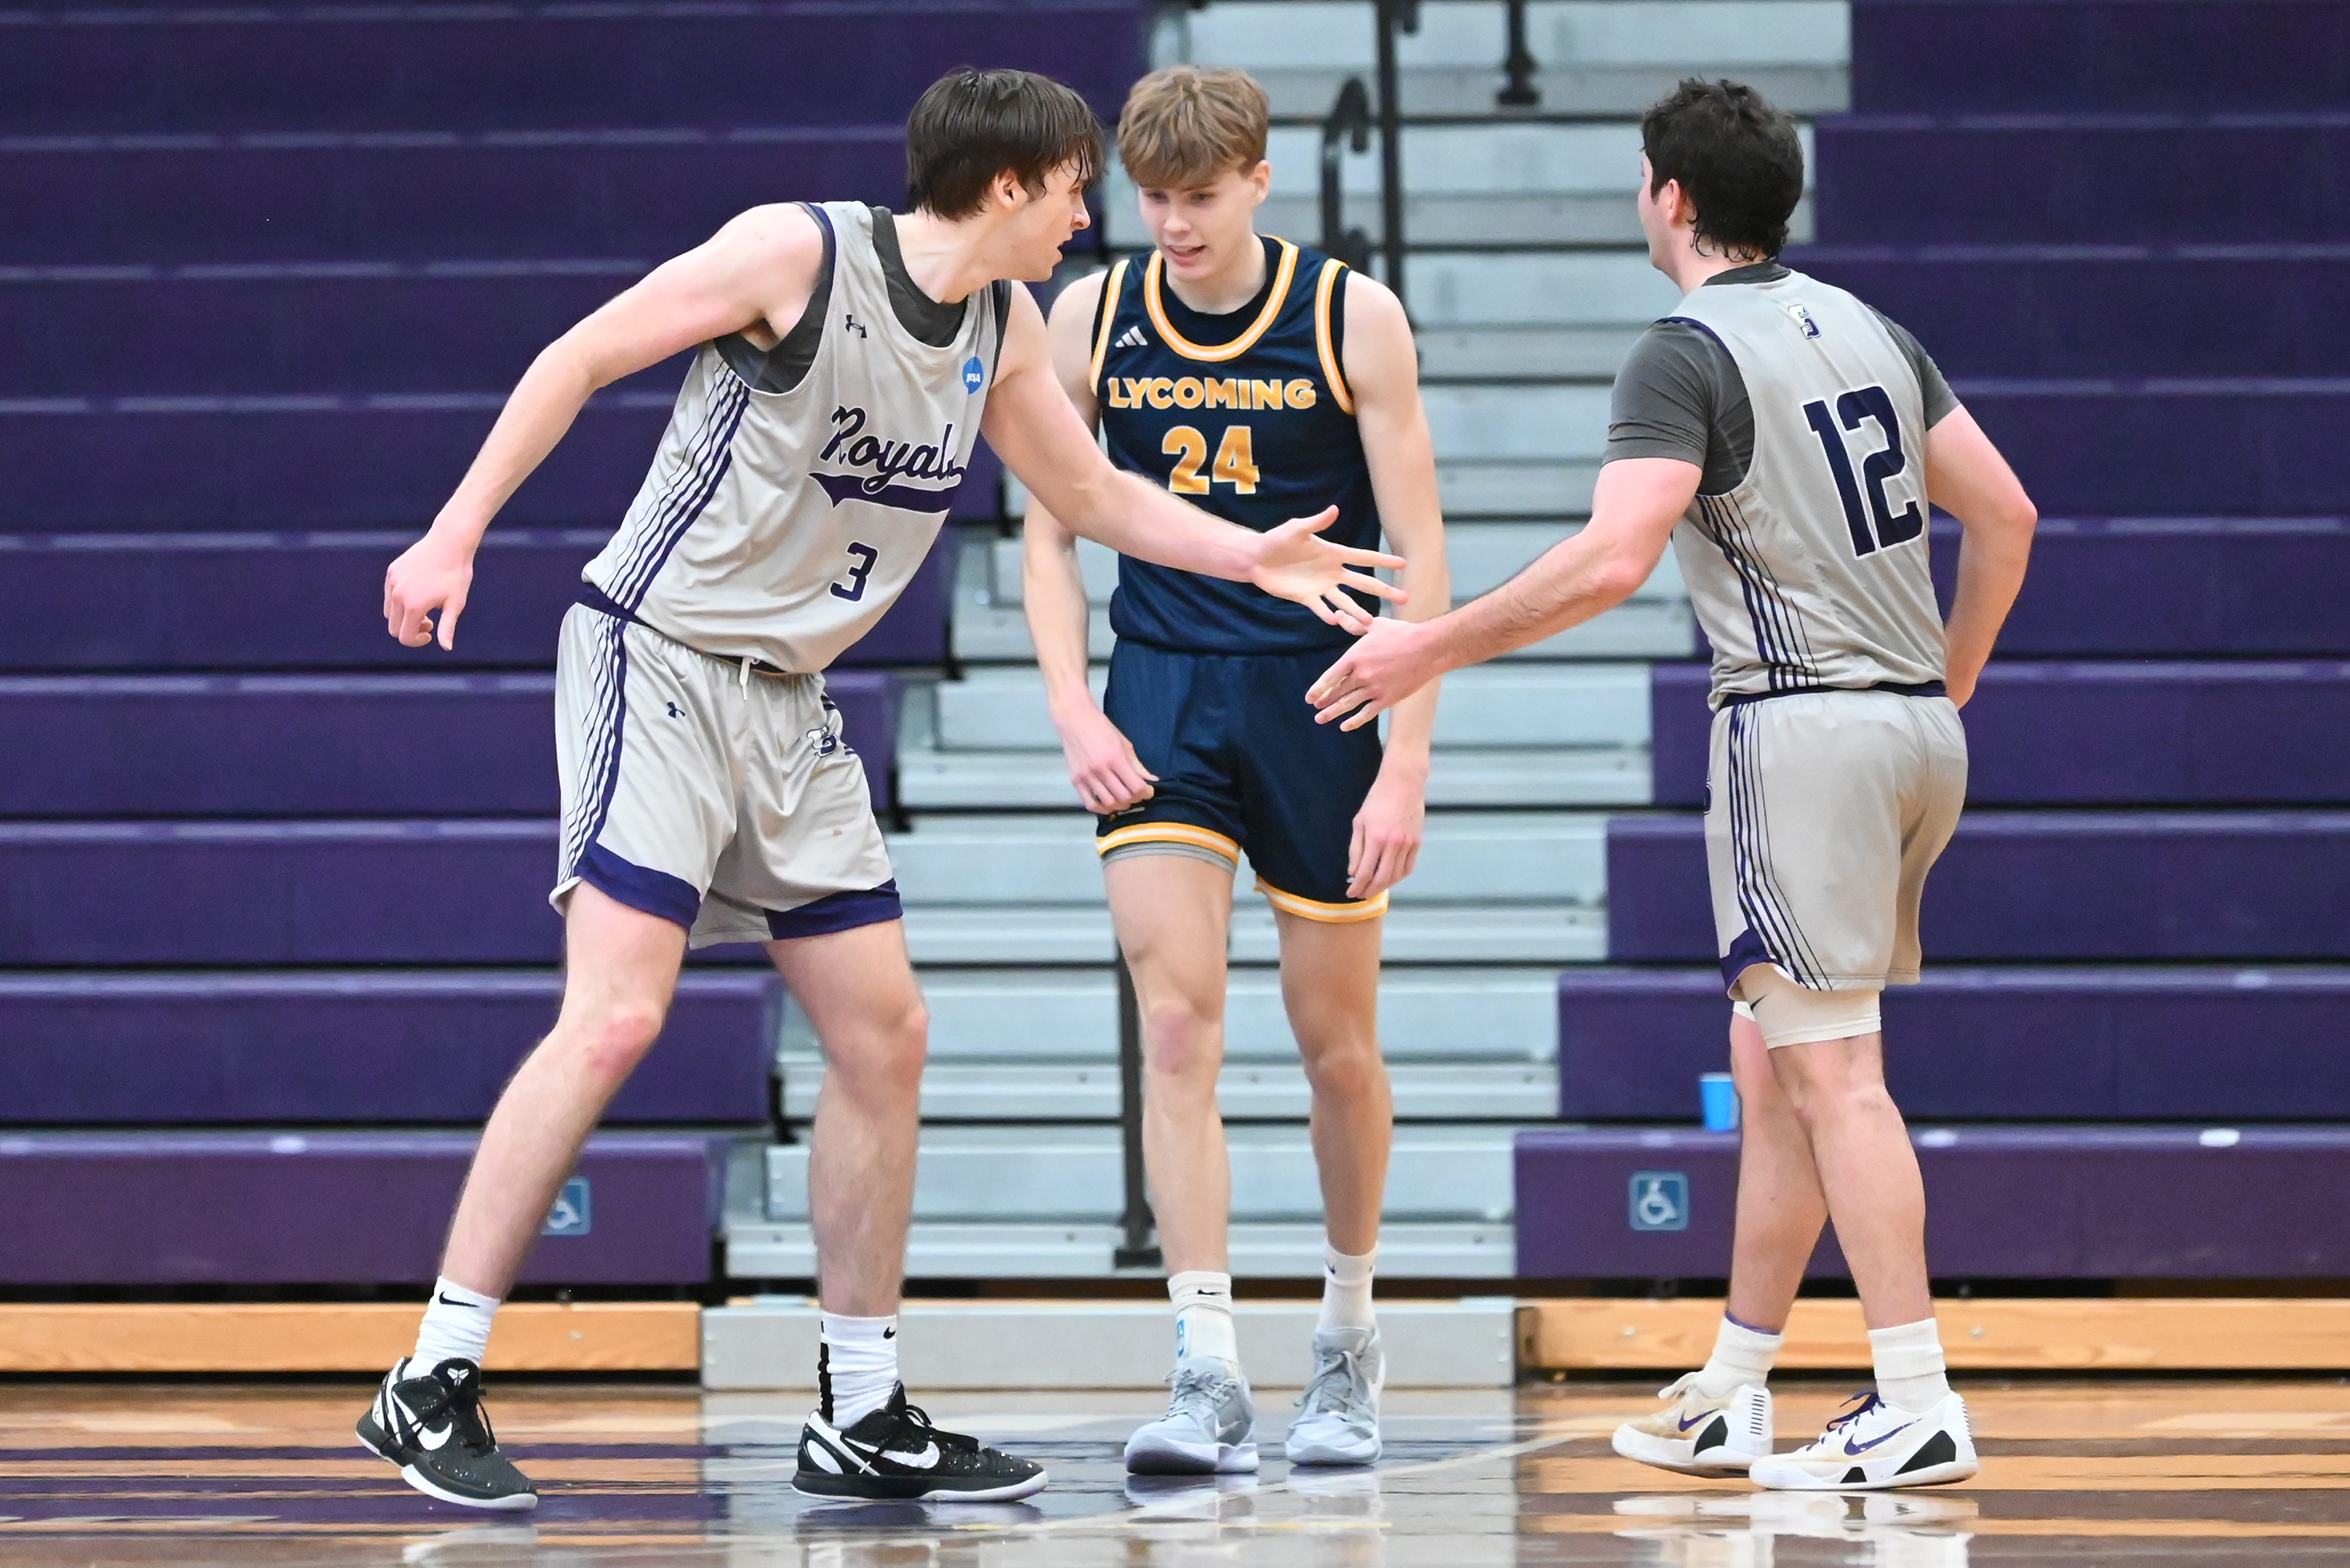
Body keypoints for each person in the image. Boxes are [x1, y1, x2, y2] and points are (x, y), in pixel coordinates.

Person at [364, 67, 1402, 1512]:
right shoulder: (795, 254)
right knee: (616, 1014)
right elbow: (580, 354)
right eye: (1073, 188)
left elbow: (1092, 497)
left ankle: (859, 1406)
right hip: (659, 658)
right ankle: (433, 1373)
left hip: (788, 704)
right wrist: (453, 532)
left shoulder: (1006, 322)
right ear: (1006, 186)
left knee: (888, 1034)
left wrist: (1253, 554)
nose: (1089, 215)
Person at [1304, 78, 2036, 1491]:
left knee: (1833, 1078)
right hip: (1908, 733)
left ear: (1676, 199)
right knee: (1777, 1069)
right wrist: (1940, 691)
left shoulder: (1684, 349)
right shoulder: (1871, 329)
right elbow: (2002, 515)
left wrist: (1427, 647)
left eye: (1646, 179)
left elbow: (1612, 556)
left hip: (1798, 729)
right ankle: (1737, 1382)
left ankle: (1917, 1390)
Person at [1021, 65, 1448, 1475]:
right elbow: (1049, 533)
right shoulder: (1094, 314)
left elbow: (1423, 554)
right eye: (1151, 199)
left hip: (1320, 704)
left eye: (1199, 197)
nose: (1173, 225)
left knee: (1337, 1047)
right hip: (1163, 693)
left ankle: (1347, 1337)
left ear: (1261, 180)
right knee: (1179, 1028)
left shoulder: (1350, 315)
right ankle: (1205, 1363)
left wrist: (1406, 761)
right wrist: (1076, 708)